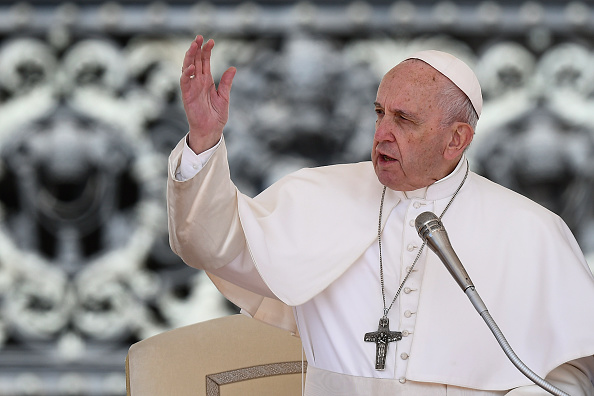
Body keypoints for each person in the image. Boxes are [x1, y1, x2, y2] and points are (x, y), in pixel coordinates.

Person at [167, 35, 594, 395]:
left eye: (405, 120)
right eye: (379, 113)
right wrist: (204, 140)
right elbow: (211, 243)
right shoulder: (316, 196)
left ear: (456, 140)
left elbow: (569, 373)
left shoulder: (530, 231)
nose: (382, 133)